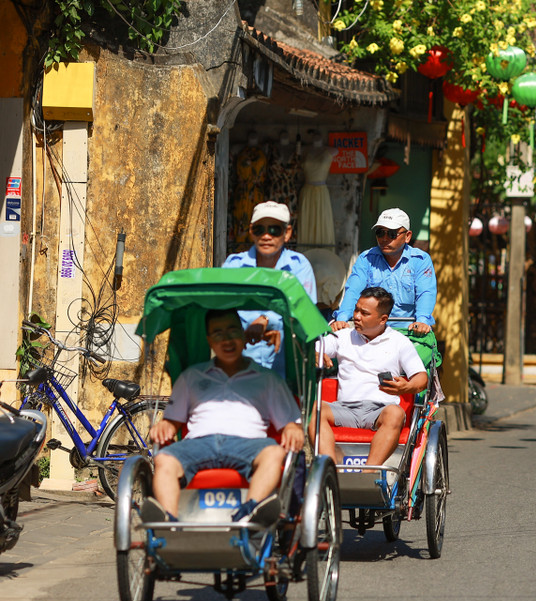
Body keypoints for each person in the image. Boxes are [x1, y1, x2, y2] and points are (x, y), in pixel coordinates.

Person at [142, 309, 304, 523]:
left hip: (249, 444)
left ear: (243, 334)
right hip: (199, 443)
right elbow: (172, 422)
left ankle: (251, 511)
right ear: (209, 340)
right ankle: (169, 525)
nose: (226, 339)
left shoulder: (267, 379)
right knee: (163, 458)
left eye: (232, 331)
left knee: (274, 453)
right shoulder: (191, 376)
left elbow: (289, 425)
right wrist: (164, 427)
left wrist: (293, 428)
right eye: (217, 333)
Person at [314, 287, 428, 467]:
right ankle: (332, 471)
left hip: (380, 411)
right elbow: (315, 349)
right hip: (344, 408)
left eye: (364, 313)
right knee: (313, 410)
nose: (357, 316)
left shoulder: (399, 342)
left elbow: (421, 377)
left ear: (383, 319)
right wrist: (315, 354)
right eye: (356, 310)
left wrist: (406, 387)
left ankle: (368, 473)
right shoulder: (343, 336)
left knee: (395, 413)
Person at [223, 201, 317, 376]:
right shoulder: (233, 266)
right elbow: (222, 309)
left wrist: (266, 320)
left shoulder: (299, 266)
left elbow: (305, 311)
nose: (266, 236)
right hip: (238, 361)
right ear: (251, 231)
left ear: (287, 233)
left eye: (274, 230)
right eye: (260, 230)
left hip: (286, 364)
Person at [330, 208, 436, 336]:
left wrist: (422, 321)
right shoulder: (366, 259)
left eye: (391, 234)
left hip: (408, 334)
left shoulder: (420, 260)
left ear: (407, 236)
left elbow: (425, 293)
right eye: (380, 233)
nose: (384, 238)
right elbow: (353, 290)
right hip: (372, 334)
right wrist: (341, 319)